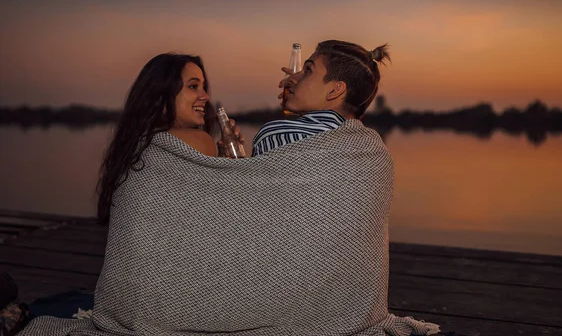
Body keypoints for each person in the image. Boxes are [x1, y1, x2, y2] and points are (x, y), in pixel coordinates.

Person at [97, 52, 243, 225]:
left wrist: (219, 158)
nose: (205, 96)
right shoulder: (199, 141)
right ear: (162, 95)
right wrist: (234, 161)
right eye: (193, 86)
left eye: (203, 87)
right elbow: (230, 208)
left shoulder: (135, 143)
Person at [252, 39, 390, 156]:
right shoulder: (376, 151)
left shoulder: (277, 136)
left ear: (334, 90)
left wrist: (232, 148)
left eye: (308, 70)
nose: (292, 78)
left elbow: (245, 186)